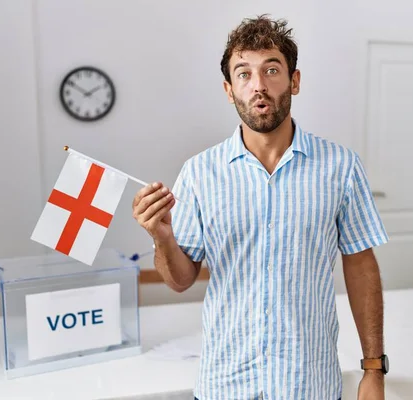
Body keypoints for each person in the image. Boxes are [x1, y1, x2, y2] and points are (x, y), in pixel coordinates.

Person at [132, 14, 389, 400]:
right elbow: (180, 279)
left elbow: (361, 265)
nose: (258, 86)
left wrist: (374, 369)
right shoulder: (200, 173)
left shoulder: (341, 166)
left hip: (309, 384)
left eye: (271, 69)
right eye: (244, 73)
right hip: (225, 385)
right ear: (228, 89)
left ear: (294, 81)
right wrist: (162, 236)